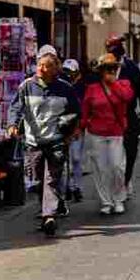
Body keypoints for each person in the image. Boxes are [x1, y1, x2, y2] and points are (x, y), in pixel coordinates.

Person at [8, 45, 81, 236]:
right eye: (39, 65)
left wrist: (72, 131)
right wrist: (12, 125)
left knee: (52, 179)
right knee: (37, 179)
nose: (40, 69)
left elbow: (76, 111)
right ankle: (47, 209)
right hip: (34, 142)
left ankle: (49, 215)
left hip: (56, 140)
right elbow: (16, 107)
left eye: (45, 66)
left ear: (54, 69)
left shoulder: (65, 88)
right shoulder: (26, 86)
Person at [80, 53, 135, 214]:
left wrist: (114, 84)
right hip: (96, 133)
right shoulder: (92, 89)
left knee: (117, 167)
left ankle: (119, 198)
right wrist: (80, 128)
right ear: (101, 71)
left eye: (114, 68)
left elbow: (128, 97)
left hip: (116, 132)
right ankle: (106, 201)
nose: (111, 71)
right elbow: (85, 111)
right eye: (108, 69)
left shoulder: (124, 84)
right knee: (101, 169)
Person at [105, 35, 140, 195]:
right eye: (109, 50)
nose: (112, 53)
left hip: (128, 115)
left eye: (115, 50)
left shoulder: (132, 68)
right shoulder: (103, 67)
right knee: (111, 156)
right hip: (109, 117)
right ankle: (115, 183)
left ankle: (126, 181)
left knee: (130, 151)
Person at [61, 59, 88, 203]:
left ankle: (77, 187)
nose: (67, 75)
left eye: (70, 72)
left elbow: (84, 108)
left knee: (76, 158)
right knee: (64, 159)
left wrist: (79, 127)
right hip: (62, 128)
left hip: (77, 127)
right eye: (65, 71)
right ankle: (68, 188)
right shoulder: (61, 86)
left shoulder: (81, 87)